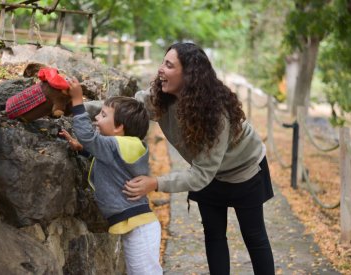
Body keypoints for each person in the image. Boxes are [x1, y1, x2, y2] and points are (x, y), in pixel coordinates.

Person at [123, 42, 275, 275]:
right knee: (213, 235)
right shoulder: (163, 99)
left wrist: (155, 183)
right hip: (206, 171)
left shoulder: (216, 114)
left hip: (245, 171)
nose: (160, 69)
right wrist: (80, 107)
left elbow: (201, 174)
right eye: (163, 62)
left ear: (189, 75)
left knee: (254, 236)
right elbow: (124, 110)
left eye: (169, 65)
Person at [60, 80, 163, 275]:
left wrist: (77, 102)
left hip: (139, 227)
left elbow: (89, 137)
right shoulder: (124, 146)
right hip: (137, 225)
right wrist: (83, 150)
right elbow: (110, 163)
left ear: (119, 128)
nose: (96, 118)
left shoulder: (120, 145)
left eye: (103, 115)